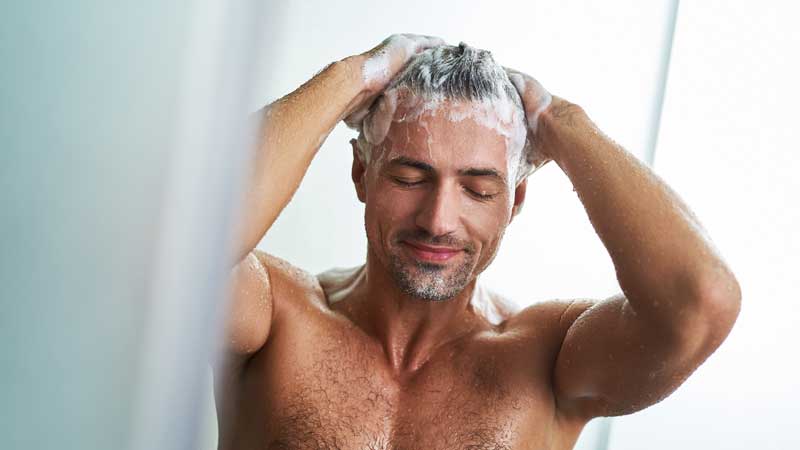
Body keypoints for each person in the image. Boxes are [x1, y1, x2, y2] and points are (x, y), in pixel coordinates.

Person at [213, 34, 741, 449]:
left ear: (515, 201)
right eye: (410, 177)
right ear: (361, 173)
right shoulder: (278, 319)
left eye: (478, 188)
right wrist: (351, 78)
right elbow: (181, 238)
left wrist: (559, 121)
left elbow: (700, 301)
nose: (439, 220)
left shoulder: (546, 363)